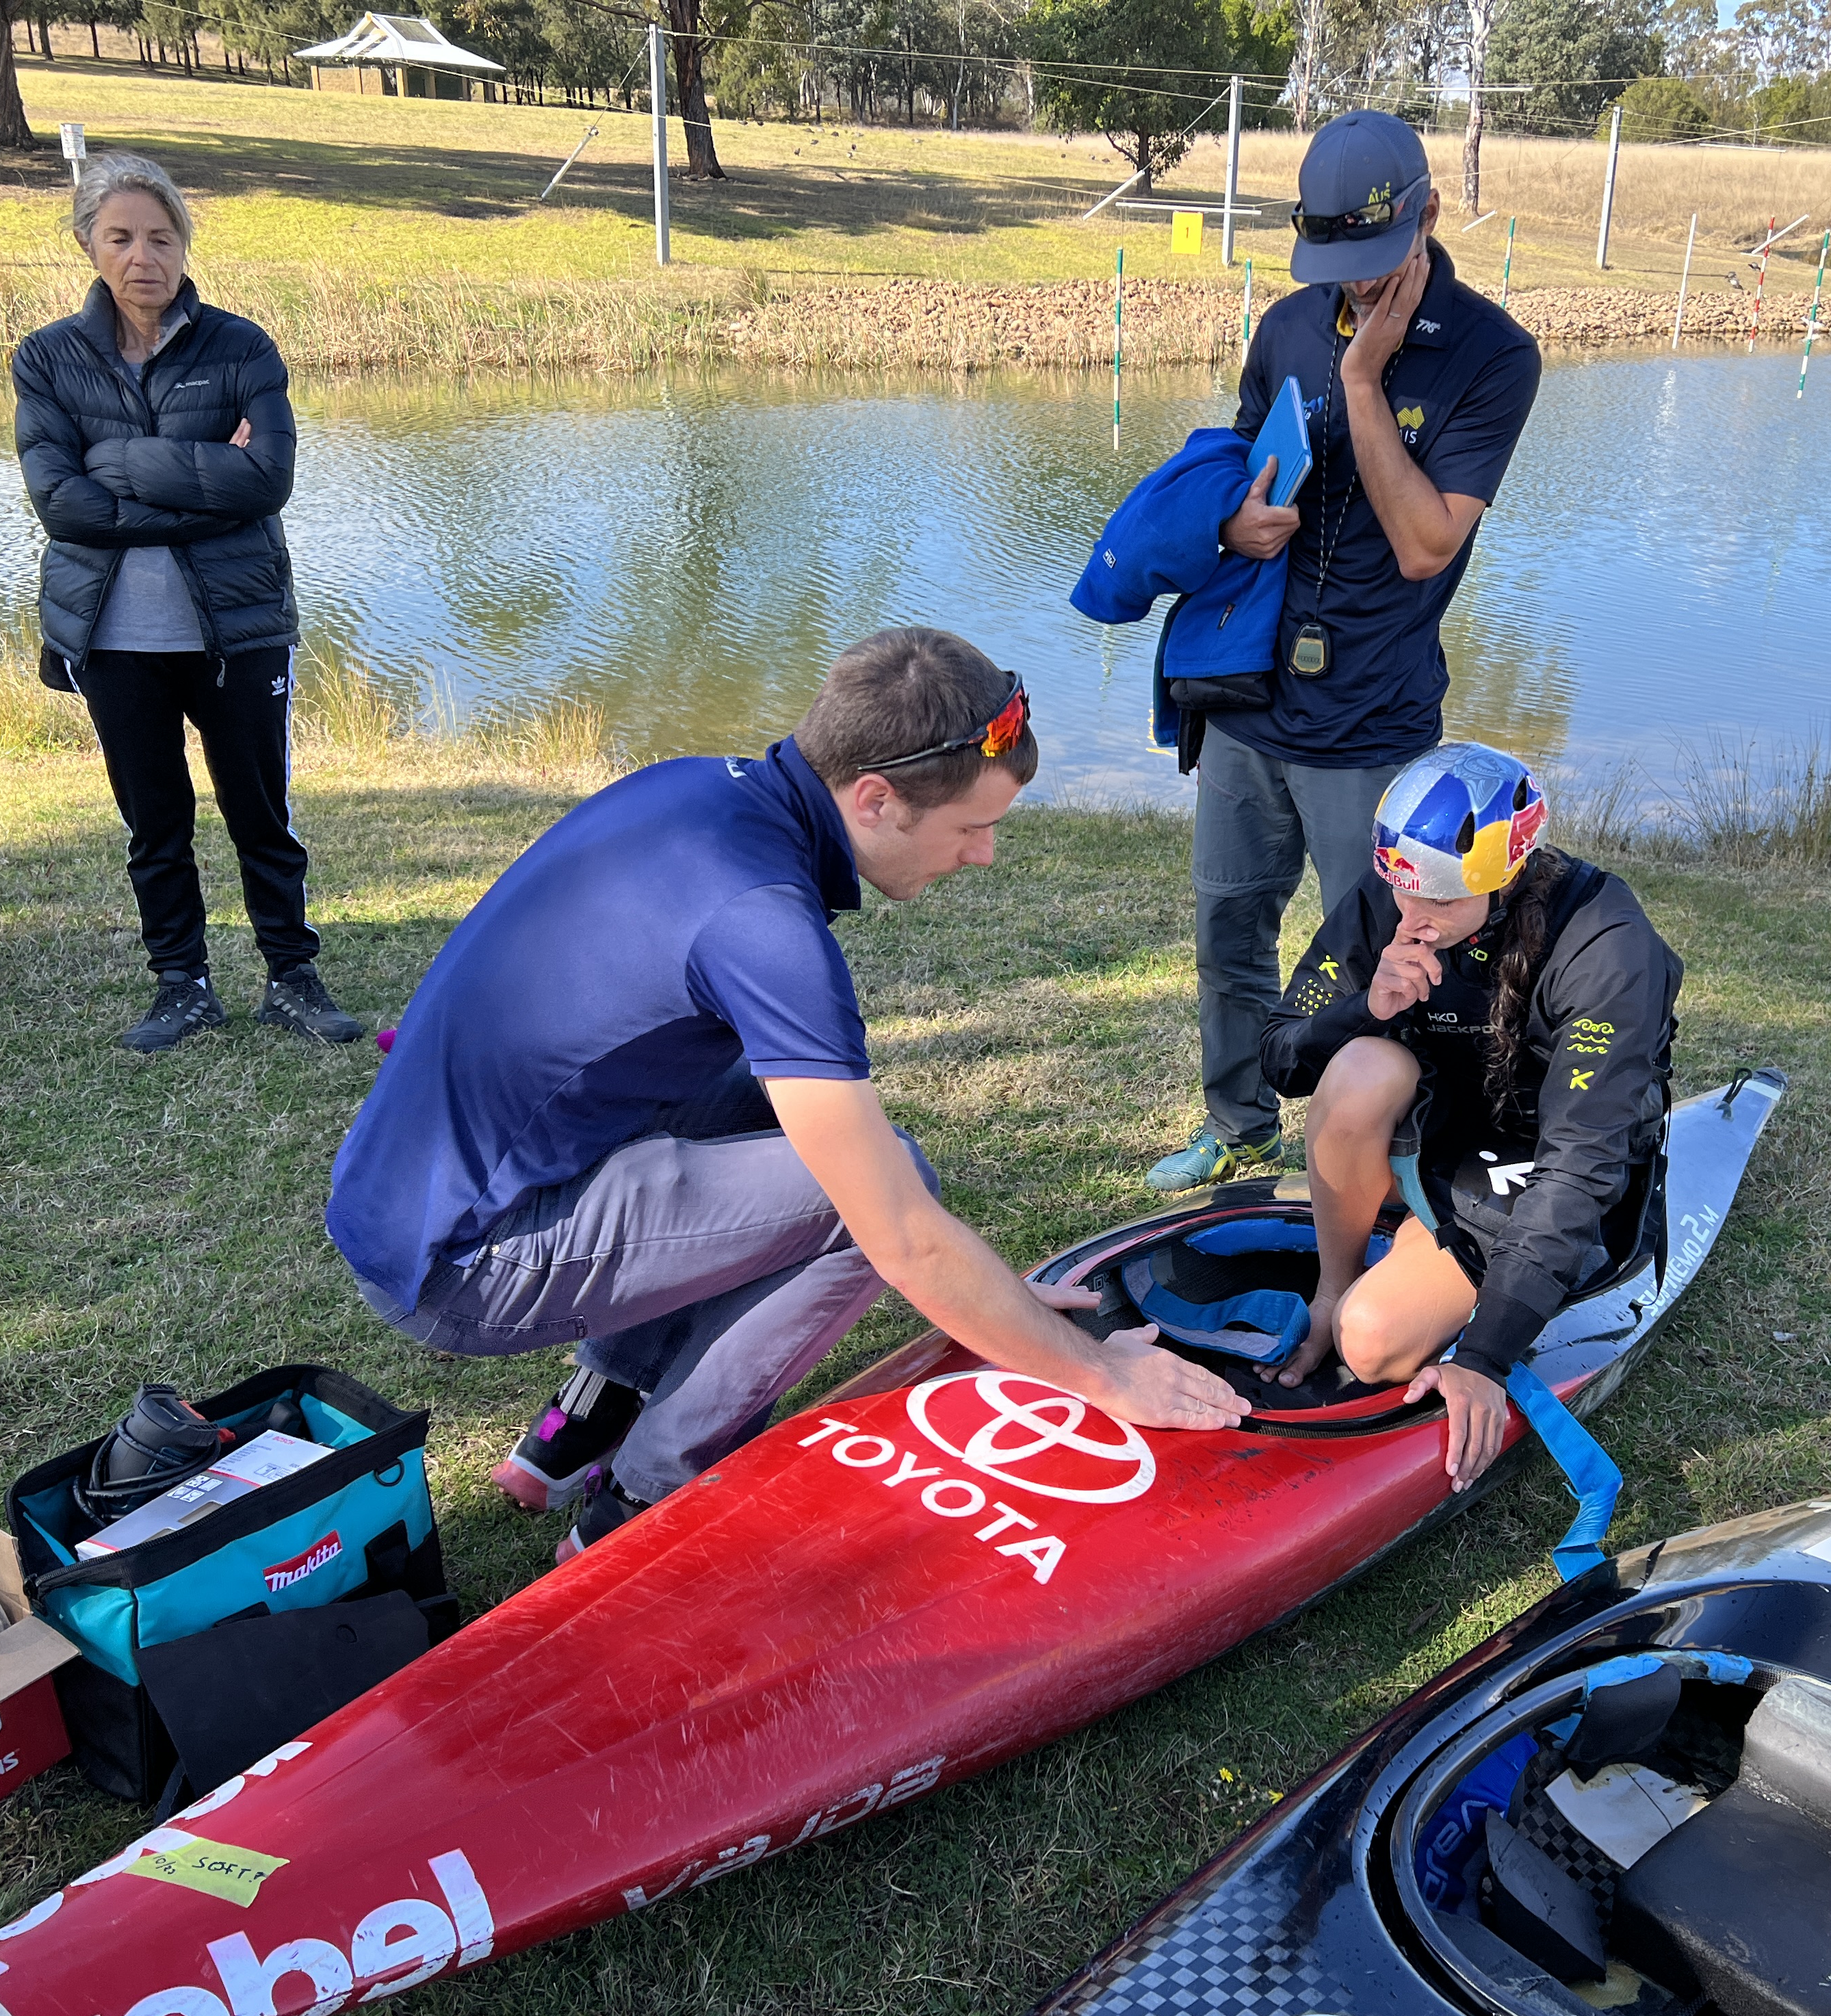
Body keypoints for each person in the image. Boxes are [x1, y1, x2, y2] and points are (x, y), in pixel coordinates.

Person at [326, 628, 1251, 1558]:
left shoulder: (693, 789)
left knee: (787, 1113)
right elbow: (899, 1233)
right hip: (459, 1261)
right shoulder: (762, 921)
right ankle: (641, 1506)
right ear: (877, 799)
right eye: (973, 827)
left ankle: (586, 1421)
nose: (985, 857)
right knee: (873, 1195)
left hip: (412, 1184)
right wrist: (1096, 1376)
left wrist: (997, 1296)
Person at [1147, 108, 1542, 1193]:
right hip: (1249, 703)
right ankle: (1238, 1124)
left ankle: (1384, 1150)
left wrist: (1364, 381)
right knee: (1229, 925)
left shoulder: (1493, 357)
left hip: (1372, 719)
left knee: (1388, 956)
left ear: (1426, 215)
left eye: (1375, 264)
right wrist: (1231, 525)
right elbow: (1236, 474)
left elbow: (1425, 545)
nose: (1356, 290)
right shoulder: (1282, 328)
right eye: (1339, 268)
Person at [1258, 742, 1680, 1493]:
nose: (1413, 918)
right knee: (1361, 1065)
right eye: (1403, 892)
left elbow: (1581, 1167)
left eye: (1443, 903)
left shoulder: (1609, 947)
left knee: (1373, 1341)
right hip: (1445, 1128)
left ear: (1506, 877)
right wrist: (1365, 1006)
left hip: (1536, 1153)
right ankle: (1337, 1281)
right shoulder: (1394, 894)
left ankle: (1430, 1256)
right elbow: (1283, 1060)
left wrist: (1485, 1358)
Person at [12, 151, 361, 1054]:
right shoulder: (47, 359)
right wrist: (209, 482)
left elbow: (268, 479)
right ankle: (183, 984)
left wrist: (122, 464)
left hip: (238, 631)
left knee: (262, 814)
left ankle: (292, 976)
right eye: (122, 236)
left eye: (161, 237)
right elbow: (60, 504)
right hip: (114, 636)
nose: (144, 257)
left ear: (184, 244)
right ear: (89, 242)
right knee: (154, 820)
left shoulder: (241, 346)